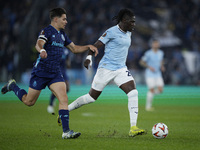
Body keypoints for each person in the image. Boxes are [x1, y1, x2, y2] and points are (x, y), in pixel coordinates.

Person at [1, 7, 98, 139]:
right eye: (64, 19)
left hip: (55, 73)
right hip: (40, 72)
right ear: (56, 19)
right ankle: (13, 86)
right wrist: (41, 51)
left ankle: (66, 132)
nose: (66, 21)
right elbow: (39, 43)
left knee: (64, 99)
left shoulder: (63, 34)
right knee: (29, 102)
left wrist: (88, 46)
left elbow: (74, 48)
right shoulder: (46, 31)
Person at [60, 8, 146, 137]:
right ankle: (66, 110)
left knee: (133, 93)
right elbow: (95, 45)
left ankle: (133, 127)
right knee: (91, 98)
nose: (134, 24)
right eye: (132, 22)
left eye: (134, 22)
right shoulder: (111, 32)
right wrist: (89, 58)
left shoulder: (129, 32)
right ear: (124, 20)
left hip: (121, 69)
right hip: (105, 69)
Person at [139, 39, 165, 111]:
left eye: (157, 44)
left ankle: (150, 94)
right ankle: (148, 106)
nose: (156, 45)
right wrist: (149, 67)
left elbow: (161, 61)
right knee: (152, 89)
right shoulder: (148, 53)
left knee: (160, 90)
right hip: (149, 74)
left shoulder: (161, 53)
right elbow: (141, 62)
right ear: (152, 45)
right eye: (155, 44)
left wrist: (162, 66)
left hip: (158, 74)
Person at [47, 47, 70, 115]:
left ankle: (54, 98)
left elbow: (68, 60)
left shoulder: (66, 50)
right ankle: (50, 105)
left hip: (63, 71)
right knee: (58, 89)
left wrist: (68, 63)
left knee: (67, 89)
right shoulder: (54, 49)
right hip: (57, 71)